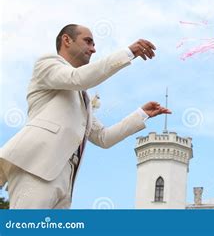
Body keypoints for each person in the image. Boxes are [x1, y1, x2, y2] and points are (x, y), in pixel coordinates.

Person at [0, 24, 171, 209]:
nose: (93, 49)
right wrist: (128, 53)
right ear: (67, 40)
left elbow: (103, 138)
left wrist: (141, 114)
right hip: (36, 168)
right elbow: (78, 78)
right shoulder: (47, 64)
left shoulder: (82, 100)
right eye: (88, 42)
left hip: (66, 179)